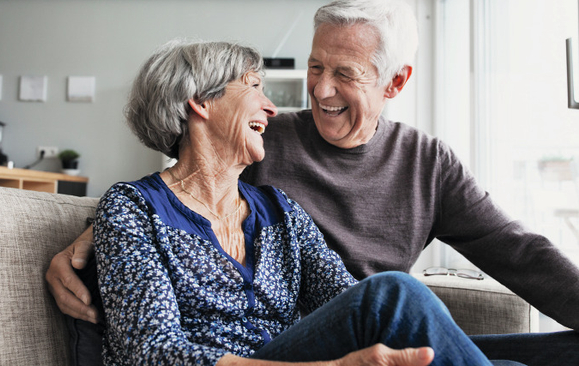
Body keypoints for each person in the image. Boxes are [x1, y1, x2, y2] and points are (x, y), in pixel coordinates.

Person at [47, 0, 579, 365]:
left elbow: (518, 251)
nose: (317, 89)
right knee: (396, 295)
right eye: (314, 66)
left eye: (345, 73)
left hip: (362, 330)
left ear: (395, 81)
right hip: (303, 346)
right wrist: (93, 235)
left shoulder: (414, 166)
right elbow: (175, 197)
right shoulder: (257, 144)